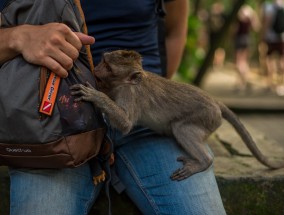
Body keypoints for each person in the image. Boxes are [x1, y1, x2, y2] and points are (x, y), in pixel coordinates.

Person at [0, 0, 227, 214]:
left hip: (146, 127)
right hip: (58, 123)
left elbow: (174, 33)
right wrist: (17, 37)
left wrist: (153, 100)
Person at [233, 5, 260, 91]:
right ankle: (243, 81)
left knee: (238, 62)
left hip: (239, 39)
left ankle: (241, 82)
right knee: (244, 61)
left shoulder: (239, 11)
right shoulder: (250, 11)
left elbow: (235, 29)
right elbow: (256, 28)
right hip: (248, 39)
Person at [261, 0, 284, 95]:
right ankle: (281, 83)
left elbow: (267, 22)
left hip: (271, 38)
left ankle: (270, 83)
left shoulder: (269, 7)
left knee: (269, 59)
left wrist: (263, 35)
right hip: (282, 38)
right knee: (282, 60)